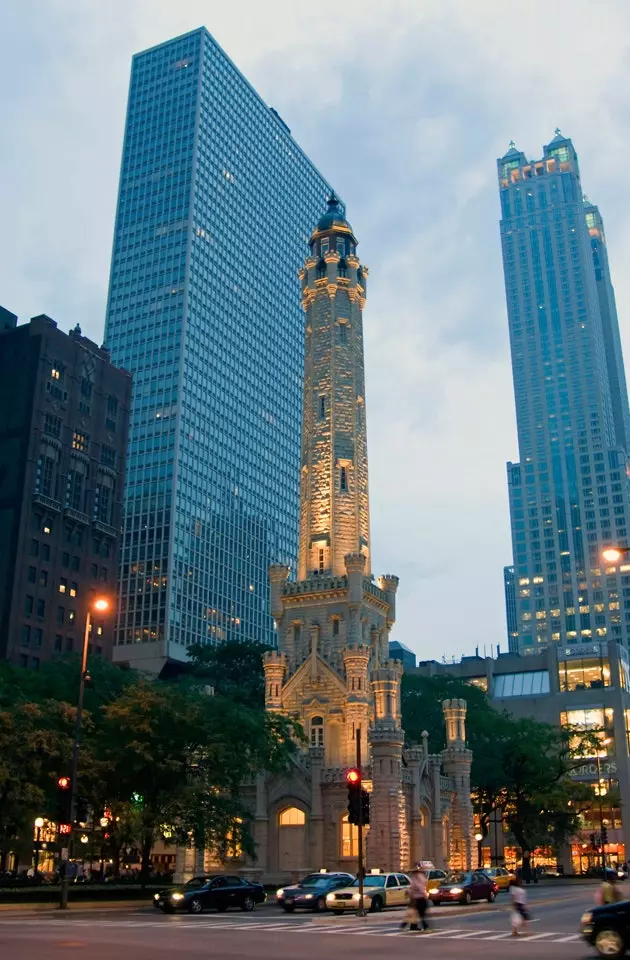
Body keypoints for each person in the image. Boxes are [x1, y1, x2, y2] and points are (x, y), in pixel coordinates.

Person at [406, 866, 429, 933]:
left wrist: (410, 894)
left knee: (414, 912)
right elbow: (419, 886)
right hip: (419, 897)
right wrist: (424, 894)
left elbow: (412, 887)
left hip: (415, 898)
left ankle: (413, 926)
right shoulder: (419, 876)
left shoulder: (414, 876)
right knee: (421, 913)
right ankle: (425, 926)